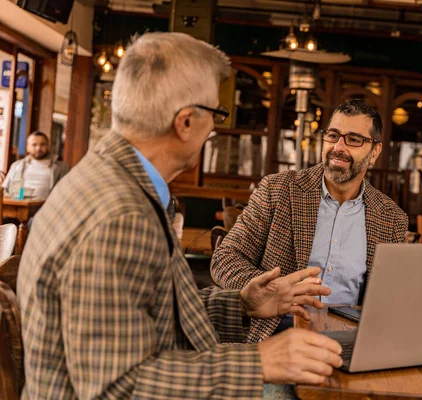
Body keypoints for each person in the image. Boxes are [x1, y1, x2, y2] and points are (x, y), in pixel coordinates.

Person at [17, 32, 343, 399]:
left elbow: (146, 313)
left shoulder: (108, 180)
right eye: (215, 114)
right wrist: (259, 362)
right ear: (185, 122)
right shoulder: (120, 215)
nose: (215, 128)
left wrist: (241, 305)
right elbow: (118, 387)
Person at [211, 99, 409, 343]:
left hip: (352, 341)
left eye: (354, 139)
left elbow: (390, 299)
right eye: (333, 135)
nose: (339, 147)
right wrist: (268, 291)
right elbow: (225, 258)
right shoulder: (278, 190)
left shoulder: (392, 219)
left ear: (375, 151)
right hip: (278, 333)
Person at [2, 131, 68, 199]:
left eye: (42, 144)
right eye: (34, 145)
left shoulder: (62, 167)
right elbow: (4, 190)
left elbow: (66, 192)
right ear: (27, 147)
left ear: (48, 146)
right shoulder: (16, 165)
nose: (38, 148)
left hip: (48, 207)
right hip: (20, 206)